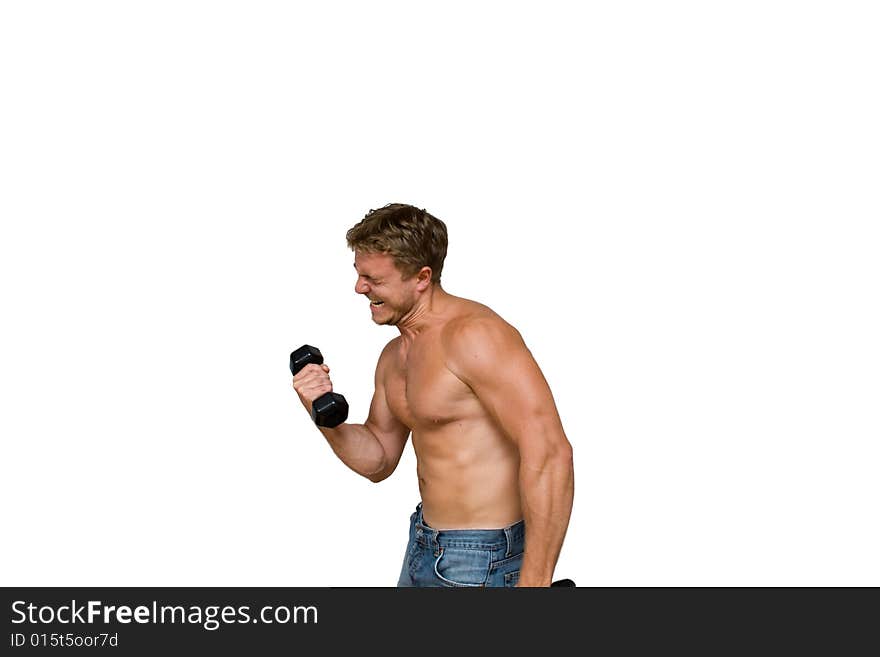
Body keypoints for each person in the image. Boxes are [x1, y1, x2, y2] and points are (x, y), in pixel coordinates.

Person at [292, 203, 574, 587]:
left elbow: (550, 453)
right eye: (359, 276)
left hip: (485, 559)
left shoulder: (475, 337)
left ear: (422, 277)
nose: (360, 288)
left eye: (373, 279)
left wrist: (536, 583)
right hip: (423, 544)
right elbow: (378, 459)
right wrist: (323, 416)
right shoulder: (395, 356)